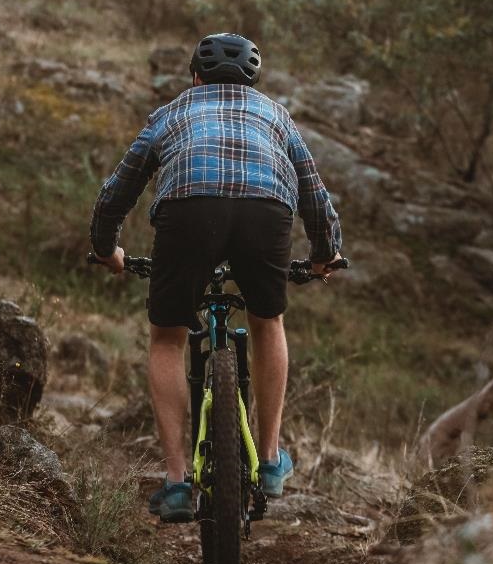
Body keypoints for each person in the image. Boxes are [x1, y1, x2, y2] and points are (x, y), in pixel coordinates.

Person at [89, 31, 344, 523]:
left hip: (188, 211)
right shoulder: (275, 115)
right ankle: (270, 461)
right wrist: (324, 255)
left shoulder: (172, 113)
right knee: (268, 320)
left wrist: (107, 249)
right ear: (254, 79)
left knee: (168, 338)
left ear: (195, 75)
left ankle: (177, 482)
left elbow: (118, 189)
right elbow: (313, 191)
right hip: (265, 214)